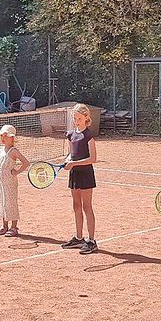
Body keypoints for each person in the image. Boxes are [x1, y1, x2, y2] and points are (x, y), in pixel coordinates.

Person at [61, 104, 98, 254]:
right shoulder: (70, 134)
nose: (76, 121)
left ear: (86, 119)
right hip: (74, 174)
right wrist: (67, 161)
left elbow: (93, 158)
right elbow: (71, 153)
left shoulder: (89, 136)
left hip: (86, 173)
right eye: (75, 118)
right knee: (76, 206)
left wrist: (74, 163)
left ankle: (92, 241)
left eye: (79, 118)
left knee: (86, 207)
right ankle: (79, 238)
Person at [0, 124, 29, 236]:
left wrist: (16, 172)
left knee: (11, 203)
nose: (3, 138)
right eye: (2, 136)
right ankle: (4, 227)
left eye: (6, 136)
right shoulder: (1, 150)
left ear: (12, 138)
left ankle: (14, 227)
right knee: (2, 202)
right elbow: (1, 165)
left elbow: (26, 163)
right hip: (0, 180)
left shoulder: (14, 151)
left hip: (10, 182)